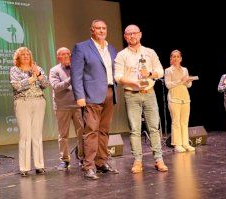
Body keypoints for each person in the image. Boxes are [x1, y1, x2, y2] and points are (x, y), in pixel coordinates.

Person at [114, 24, 168, 173]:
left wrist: (149, 74)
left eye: (134, 33)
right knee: (135, 129)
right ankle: (138, 161)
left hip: (149, 93)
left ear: (140, 34)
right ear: (125, 37)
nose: (132, 36)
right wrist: (133, 82)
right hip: (131, 95)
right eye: (129, 34)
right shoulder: (121, 55)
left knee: (154, 128)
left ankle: (159, 159)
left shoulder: (150, 52)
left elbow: (160, 71)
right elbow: (117, 77)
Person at [71, 19, 119, 180]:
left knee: (104, 130)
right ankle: (88, 166)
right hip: (91, 95)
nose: (101, 31)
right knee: (91, 130)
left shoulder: (111, 48)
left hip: (110, 92)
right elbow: (76, 74)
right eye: (98, 28)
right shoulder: (82, 47)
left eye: (104, 28)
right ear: (92, 30)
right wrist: (79, 96)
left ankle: (101, 162)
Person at [10, 47, 50, 177]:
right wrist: (31, 79)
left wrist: (37, 74)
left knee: (37, 134)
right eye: (22, 54)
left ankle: (39, 165)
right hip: (23, 101)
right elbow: (17, 86)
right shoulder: (14, 69)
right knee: (25, 135)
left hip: (39, 101)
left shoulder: (38, 68)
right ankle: (24, 167)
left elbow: (45, 84)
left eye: (28, 54)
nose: (26, 56)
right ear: (18, 58)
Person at [49, 47, 84, 171]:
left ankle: (82, 158)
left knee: (82, 133)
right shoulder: (54, 70)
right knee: (63, 135)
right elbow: (56, 87)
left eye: (68, 54)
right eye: (63, 55)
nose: (66, 56)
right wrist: (70, 79)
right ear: (58, 57)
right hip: (62, 107)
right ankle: (64, 160)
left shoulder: (77, 68)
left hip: (78, 106)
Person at [164, 50, 196, 153]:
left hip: (185, 98)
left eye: (178, 56)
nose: (176, 58)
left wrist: (188, 81)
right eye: (174, 56)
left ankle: (185, 143)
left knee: (184, 122)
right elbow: (168, 85)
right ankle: (177, 144)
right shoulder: (168, 70)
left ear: (181, 58)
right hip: (174, 99)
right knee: (176, 122)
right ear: (171, 59)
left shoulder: (185, 70)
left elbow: (188, 86)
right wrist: (180, 80)